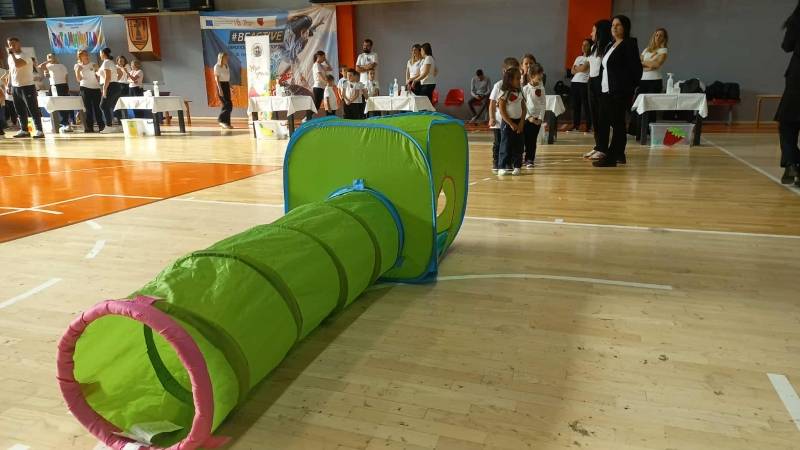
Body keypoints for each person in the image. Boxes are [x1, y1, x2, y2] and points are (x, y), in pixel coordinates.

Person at [593, 15, 643, 167]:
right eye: (613, 25)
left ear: (625, 27)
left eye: (618, 25)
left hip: (619, 92)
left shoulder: (629, 44)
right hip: (606, 91)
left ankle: (612, 157)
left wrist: (627, 89)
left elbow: (636, 70)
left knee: (618, 124)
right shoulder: (611, 45)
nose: (614, 28)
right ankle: (620, 154)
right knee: (610, 122)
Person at [630, 27, 669, 139]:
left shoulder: (664, 50)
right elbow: (638, 62)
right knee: (638, 105)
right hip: (642, 81)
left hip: (654, 81)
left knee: (650, 107)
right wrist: (649, 65)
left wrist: (645, 63)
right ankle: (636, 132)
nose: (658, 37)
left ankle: (648, 132)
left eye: (661, 35)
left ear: (664, 38)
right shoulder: (647, 49)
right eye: (656, 35)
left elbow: (656, 65)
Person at [778, 0, 800, 185]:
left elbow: (787, 46)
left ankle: (792, 164)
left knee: (788, 122)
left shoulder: (797, 19)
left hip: (797, 77)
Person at [5, 37, 44, 138]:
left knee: (32, 108)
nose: (11, 46)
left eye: (13, 44)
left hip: (27, 86)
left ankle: (39, 130)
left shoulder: (25, 56)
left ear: (19, 44)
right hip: (15, 87)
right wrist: (9, 84)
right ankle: (24, 130)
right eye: (9, 44)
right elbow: (11, 71)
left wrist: (11, 54)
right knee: (19, 110)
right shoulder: (10, 57)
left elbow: (18, 65)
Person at [585, 20, 613, 159]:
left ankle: (603, 148)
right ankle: (598, 146)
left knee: (602, 117)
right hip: (591, 82)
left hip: (602, 83)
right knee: (594, 116)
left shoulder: (608, 47)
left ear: (600, 32)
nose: (591, 33)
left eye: (593, 30)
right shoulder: (593, 47)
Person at [489, 57, 520, 173]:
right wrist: (492, 117)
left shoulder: (517, 87)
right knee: (498, 142)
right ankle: (496, 162)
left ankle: (507, 163)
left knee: (509, 142)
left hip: (510, 121)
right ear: (504, 71)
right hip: (499, 120)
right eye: (511, 71)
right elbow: (492, 103)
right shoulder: (499, 85)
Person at [496, 67, 526, 176]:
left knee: (519, 145)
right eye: (517, 78)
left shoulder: (520, 92)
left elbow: (524, 108)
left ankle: (517, 166)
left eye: (520, 78)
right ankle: (501, 166)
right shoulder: (504, 93)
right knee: (506, 144)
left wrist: (521, 122)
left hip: (519, 122)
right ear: (510, 80)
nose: (520, 80)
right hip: (508, 122)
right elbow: (502, 110)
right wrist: (511, 123)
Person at [38, 54, 73, 133]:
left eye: (51, 57)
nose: (50, 58)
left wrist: (67, 86)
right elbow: (40, 66)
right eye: (48, 57)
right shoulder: (48, 66)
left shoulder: (62, 66)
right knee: (52, 103)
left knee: (63, 104)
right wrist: (48, 61)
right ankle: (56, 122)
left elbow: (66, 76)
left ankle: (66, 122)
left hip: (62, 85)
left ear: (55, 57)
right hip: (53, 86)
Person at [522, 64, 546, 168]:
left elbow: (543, 104)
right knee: (524, 139)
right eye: (539, 75)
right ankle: (521, 158)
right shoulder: (525, 89)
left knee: (532, 140)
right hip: (527, 119)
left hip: (537, 120)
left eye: (541, 75)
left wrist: (540, 118)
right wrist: (528, 117)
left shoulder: (542, 89)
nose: (541, 77)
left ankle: (530, 159)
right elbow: (523, 104)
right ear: (532, 76)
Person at [74, 49, 104, 133]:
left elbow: (99, 77)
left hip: (96, 88)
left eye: (87, 54)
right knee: (88, 109)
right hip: (85, 88)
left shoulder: (93, 64)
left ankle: (101, 126)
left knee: (98, 108)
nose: (86, 56)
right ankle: (89, 127)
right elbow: (78, 79)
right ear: (80, 56)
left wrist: (97, 69)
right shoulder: (77, 65)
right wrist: (78, 71)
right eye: (84, 55)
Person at [568, 39, 592, 132]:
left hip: (584, 83)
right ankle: (575, 125)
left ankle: (588, 125)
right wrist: (579, 68)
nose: (583, 46)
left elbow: (584, 68)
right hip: (574, 82)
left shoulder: (590, 58)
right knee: (575, 105)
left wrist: (577, 68)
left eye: (586, 45)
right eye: (583, 45)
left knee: (586, 105)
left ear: (591, 46)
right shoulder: (578, 58)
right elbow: (572, 71)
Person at [98, 48, 123, 133]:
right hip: (115, 86)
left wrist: (105, 89)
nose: (100, 55)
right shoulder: (111, 62)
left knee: (103, 105)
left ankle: (108, 126)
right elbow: (120, 73)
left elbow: (108, 77)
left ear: (103, 53)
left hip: (110, 86)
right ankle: (120, 125)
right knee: (114, 106)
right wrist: (115, 80)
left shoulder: (106, 62)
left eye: (100, 53)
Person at [214, 52, 233, 129]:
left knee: (228, 104)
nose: (227, 59)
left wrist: (230, 86)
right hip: (221, 85)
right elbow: (217, 79)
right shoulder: (217, 66)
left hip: (226, 85)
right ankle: (221, 120)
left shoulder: (226, 66)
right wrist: (220, 89)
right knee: (227, 104)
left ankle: (227, 123)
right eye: (225, 57)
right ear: (221, 58)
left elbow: (227, 78)